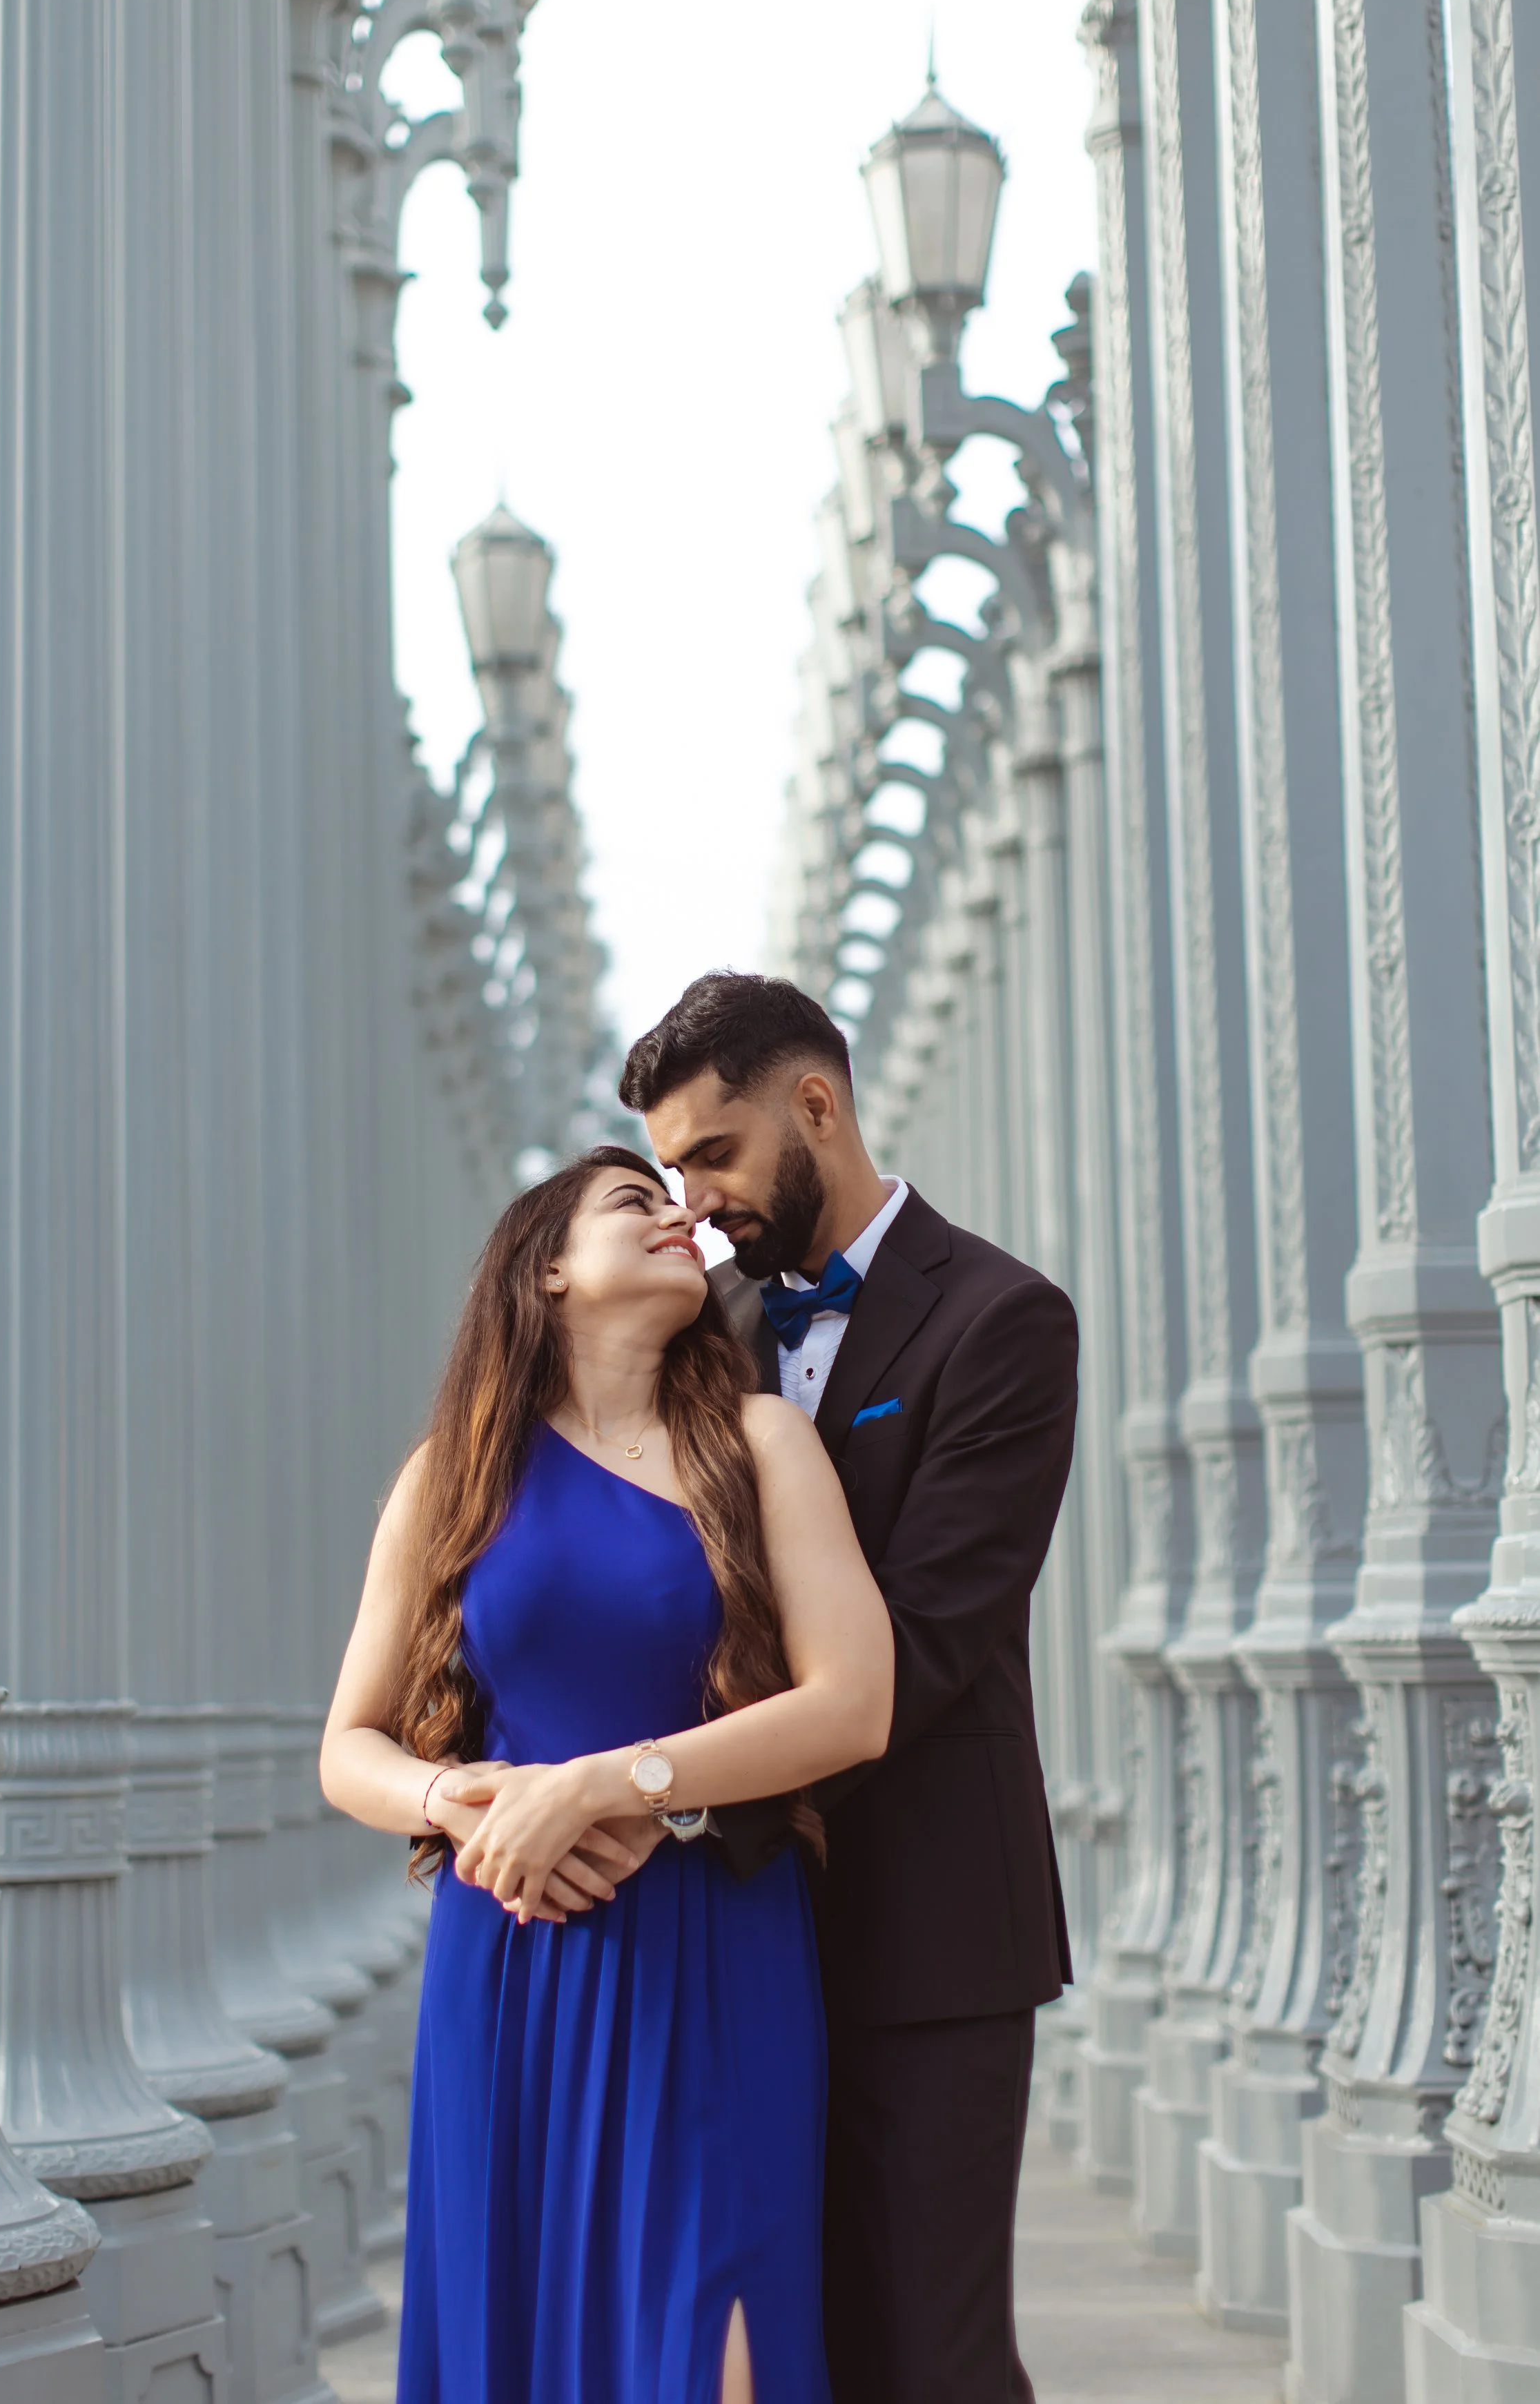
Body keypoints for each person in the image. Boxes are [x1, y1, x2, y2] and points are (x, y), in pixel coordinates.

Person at [321, 1144, 893, 2404]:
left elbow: (854, 1705)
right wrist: (458, 1798)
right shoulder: (452, 1475)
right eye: (633, 1201)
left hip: (715, 1947)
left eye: (676, 1202)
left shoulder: (762, 1442)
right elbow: (349, 1746)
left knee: (721, 2341)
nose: (678, 1215)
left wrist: (601, 1785)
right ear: (547, 1270)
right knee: (522, 2340)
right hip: (513, 1946)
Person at [618, 972, 1078, 2404]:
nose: (693, 1203)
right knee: (771, 2345)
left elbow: (928, 1641)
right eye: (669, 1172)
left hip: (930, 1925)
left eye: (713, 1154)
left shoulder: (1003, 1319)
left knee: (929, 2357)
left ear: (815, 1104)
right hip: (732, 1933)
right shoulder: (703, 1330)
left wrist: (671, 1804)